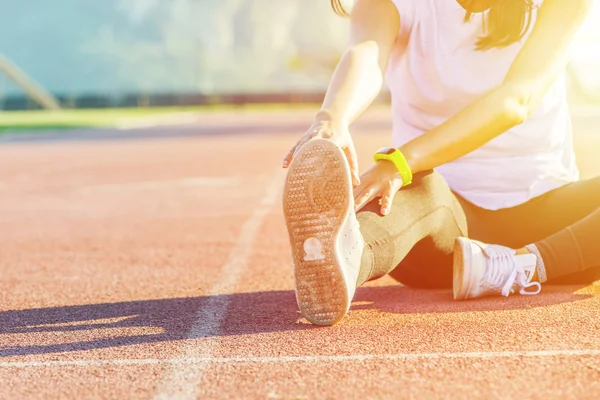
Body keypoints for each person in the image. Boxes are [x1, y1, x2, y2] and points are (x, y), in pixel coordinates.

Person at [281, 0, 598, 326]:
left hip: (557, 227)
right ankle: (338, 265)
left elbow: (517, 99)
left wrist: (402, 160)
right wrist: (334, 116)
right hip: (444, 233)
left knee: (402, 174)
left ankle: (521, 266)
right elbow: (365, 52)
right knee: (413, 189)